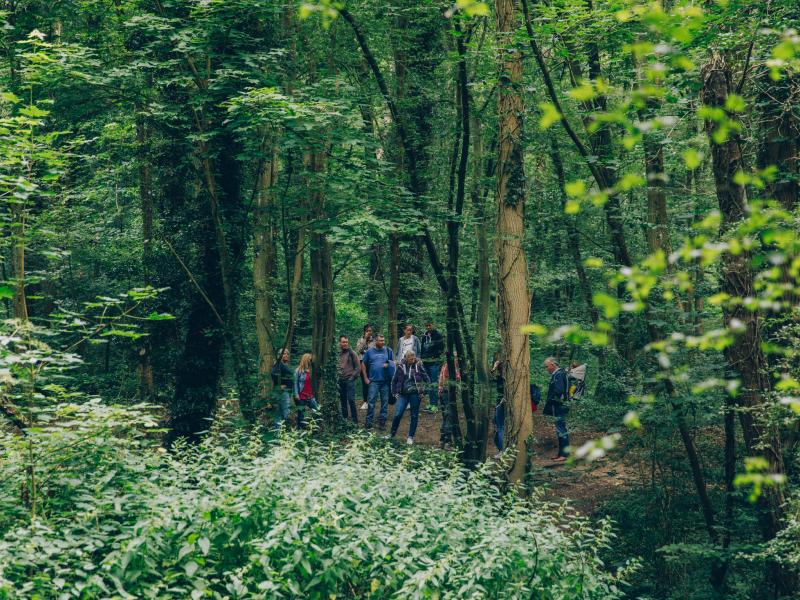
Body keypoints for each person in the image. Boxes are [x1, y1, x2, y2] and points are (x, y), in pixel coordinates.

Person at [389, 350, 430, 444]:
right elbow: (394, 380)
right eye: (410, 357)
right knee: (398, 414)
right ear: (406, 358)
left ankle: (410, 437)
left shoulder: (418, 365)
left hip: (415, 394)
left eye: (413, 357)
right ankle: (392, 434)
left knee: (414, 415)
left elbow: (427, 379)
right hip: (403, 394)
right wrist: (394, 392)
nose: (413, 359)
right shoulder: (400, 366)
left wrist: (424, 392)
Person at [360, 334, 395, 430]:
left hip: (385, 381)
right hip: (373, 381)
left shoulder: (388, 350)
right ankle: (368, 422)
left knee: (385, 402)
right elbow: (363, 364)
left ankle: (382, 422)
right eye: (381, 340)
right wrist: (365, 378)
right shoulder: (369, 352)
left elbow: (394, 362)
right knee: (371, 402)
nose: (383, 342)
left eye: (383, 340)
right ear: (376, 341)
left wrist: (388, 364)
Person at [543, 357, 569, 461]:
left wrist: (552, 400)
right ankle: (561, 454)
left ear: (553, 365)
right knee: (560, 429)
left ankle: (564, 455)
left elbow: (559, 390)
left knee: (561, 430)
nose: (546, 369)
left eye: (547, 366)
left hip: (559, 406)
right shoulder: (558, 374)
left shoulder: (559, 374)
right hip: (559, 405)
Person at [420, 321, 445, 412]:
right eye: (426, 325)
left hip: (434, 363)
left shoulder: (438, 335)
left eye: (429, 325)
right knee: (428, 383)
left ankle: (434, 405)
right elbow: (422, 348)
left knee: (433, 383)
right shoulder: (425, 336)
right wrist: (422, 358)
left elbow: (441, 348)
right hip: (425, 363)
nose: (428, 327)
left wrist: (433, 356)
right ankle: (430, 404)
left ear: (433, 325)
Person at [337, 335, 360, 425]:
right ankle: (345, 419)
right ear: (340, 343)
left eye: (346, 342)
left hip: (349, 380)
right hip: (340, 380)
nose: (345, 344)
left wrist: (352, 378)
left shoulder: (352, 353)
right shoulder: (338, 354)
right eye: (343, 342)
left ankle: (355, 421)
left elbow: (358, 367)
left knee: (351, 400)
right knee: (342, 400)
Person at [293, 353, 320, 429]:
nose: (310, 361)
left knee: (316, 410)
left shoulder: (311, 370)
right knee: (301, 414)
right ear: (305, 360)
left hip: (310, 396)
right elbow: (295, 383)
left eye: (311, 360)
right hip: (301, 395)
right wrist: (296, 395)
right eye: (309, 360)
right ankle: (300, 429)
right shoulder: (298, 371)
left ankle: (314, 427)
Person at [270, 348, 293, 429]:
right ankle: (280, 431)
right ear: (280, 355)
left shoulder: (284, 365)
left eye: (287, 354)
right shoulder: (279, 364)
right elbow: (273, 374)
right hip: (282, 392)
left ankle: (281, 431)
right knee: (284, 412)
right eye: (284, 353)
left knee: (282, 412)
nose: (286, 355)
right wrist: (279, 385)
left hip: (286, 392)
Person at [356, 324, 375, 409]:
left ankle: (371, 400)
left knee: (372, 381)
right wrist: (364, 340)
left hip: (371, 363)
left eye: (370, 331)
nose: (369, 332)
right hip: (362, 363)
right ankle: (365, 401)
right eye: (367, 331)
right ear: (364, 331)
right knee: (364, 382)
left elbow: (374, 351)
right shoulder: (360, 340)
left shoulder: (374, 341)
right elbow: (359, 350)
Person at [490, 353, 505, 454]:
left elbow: (490, 379)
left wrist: (494, 368)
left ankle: (502, 451)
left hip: (501, 404)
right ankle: (501, 450)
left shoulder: (503, 378)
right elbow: (491, 380)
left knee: (500, 427)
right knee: (498, 426)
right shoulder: (501, 377)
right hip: (499, 403)